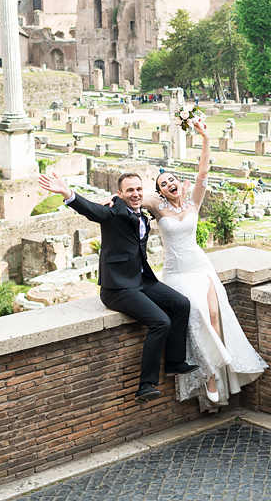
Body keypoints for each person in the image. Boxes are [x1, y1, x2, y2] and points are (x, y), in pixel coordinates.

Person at [37, 171, 196, 403]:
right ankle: (146, 385)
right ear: (120, 193)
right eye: (130, 190)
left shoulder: (143, 214)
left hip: (142, 281)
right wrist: (68, 193)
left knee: (181, 304)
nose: (135, 194)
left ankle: (174, 362)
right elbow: (92, 210)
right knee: (161, 321)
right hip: (118, 289)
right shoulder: (112, 212)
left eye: (139, 189)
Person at [145, 119, 267, 409]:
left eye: (171, 179)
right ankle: (209, 375)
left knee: (214, 315)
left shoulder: (192, 204)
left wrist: (205, 138)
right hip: (177, 272)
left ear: (178, 183)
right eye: (163, 183)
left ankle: (217, 373)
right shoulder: (156, 206)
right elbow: (136, 197)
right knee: (197, 315)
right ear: (160, 191)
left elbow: (203, 172)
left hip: (200, 266)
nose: (169, 184)